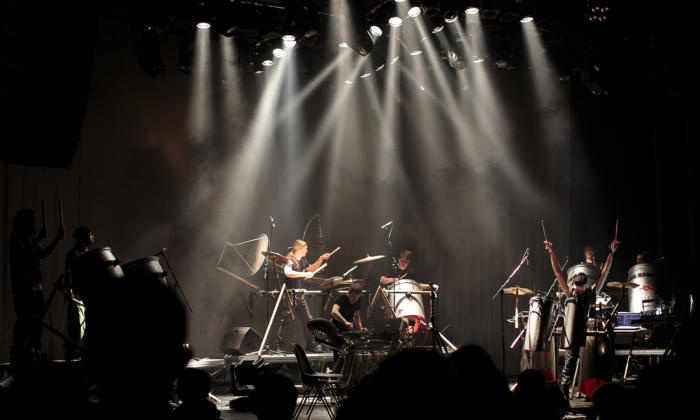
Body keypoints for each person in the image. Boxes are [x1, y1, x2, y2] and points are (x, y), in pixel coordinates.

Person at [544, 238, 620, 398]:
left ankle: (593, 389)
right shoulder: (570, 292)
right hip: (574, 331)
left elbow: (604, 272)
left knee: (597, 357)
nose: (579, 288)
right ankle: (565, 392)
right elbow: (558, 272)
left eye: (581, 286)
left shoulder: (592, 292)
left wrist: (611, 253)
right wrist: (551, 252)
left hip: (589, 330)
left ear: (586, 284)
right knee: (571, 361)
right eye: (577, 285)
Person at [8, 208, 64, 365]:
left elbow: (43, 253)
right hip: (23, 290)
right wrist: (38, 238)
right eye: (33, 220)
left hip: (36, 288)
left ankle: (33, 352)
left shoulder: (29, 239)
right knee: (25, 322)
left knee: (38, 322)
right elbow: (23, 257)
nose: (36, 222)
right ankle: (20, 356)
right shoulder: (16, 238)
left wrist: (57, 239)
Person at [275, 239, 330, 352]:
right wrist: (304, 274)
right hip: (290, 295)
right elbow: (288, 273)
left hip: (300, 295)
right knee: (286, 321)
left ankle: (311, 345)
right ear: (299, 248)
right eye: (306, 248)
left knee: (308, 321)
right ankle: (280, 346)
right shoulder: (289, 260)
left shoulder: (303, 260)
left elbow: (311, 268)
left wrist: (320, 259)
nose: (307, 250)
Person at [63, 226, 94, 360]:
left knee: (86, 326)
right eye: (91, 235)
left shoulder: (88, 254)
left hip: (87, 295)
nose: (93, 237)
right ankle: (72, 356)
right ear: (84, 238)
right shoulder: (74, 253)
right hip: (77, 294)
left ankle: (82, 354)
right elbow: (68, 272)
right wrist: (69, 290)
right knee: (77, 326)